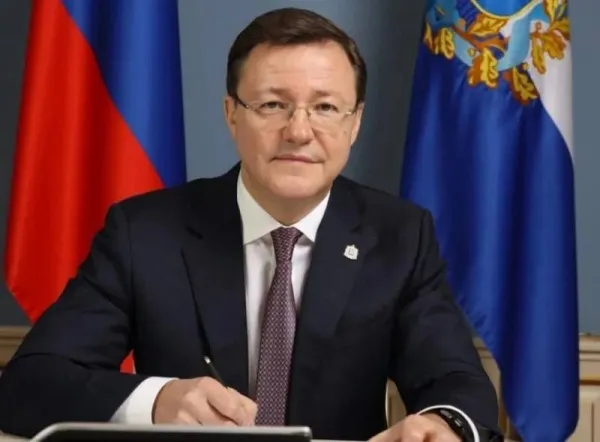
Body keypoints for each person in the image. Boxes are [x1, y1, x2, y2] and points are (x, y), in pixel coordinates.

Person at [0, 7, 503, 442]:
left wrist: (441, 424)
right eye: (272, 105)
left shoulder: (400, 236)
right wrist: (157, 400)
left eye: (325, 107)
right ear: (232, 115)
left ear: (354, 123)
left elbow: (457, 383)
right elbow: (28, 384)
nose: (299, 131)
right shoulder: (145, 232)